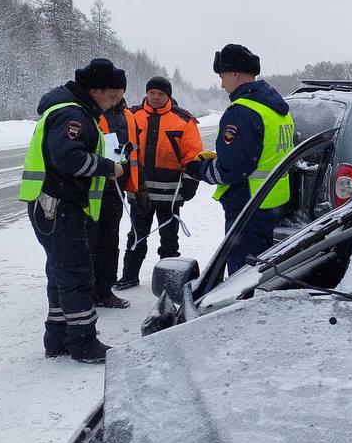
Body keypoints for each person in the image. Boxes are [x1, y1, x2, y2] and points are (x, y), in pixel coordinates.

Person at [19, 58, 126, 362]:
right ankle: (82, 342)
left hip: (54, 204)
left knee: (61, 272)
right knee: (77, 273)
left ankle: (57, 337)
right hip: (59, 204)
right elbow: (69, 158)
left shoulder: (71, 109)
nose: (113, 104)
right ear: (97, 90)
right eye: (112, 97)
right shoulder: (72, 114)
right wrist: (109, 168)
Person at [184, 43, 295, 274]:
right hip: (272, 200)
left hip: (248, 203)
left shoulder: (242, 112)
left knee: (242, 275)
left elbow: (231, 169)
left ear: (235, 73)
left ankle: (242, 308)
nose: (222, 84)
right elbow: (263, 154)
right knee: (263, 270)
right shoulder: (276, 109)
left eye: (222, 76)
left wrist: (200, 169)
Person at [115, 76, 202, 289]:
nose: (155, 97)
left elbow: (194, 155)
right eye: (152, 92)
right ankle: (129, 275)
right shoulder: (131, 116)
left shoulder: (184, 120)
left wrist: (191, 182)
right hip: (139, 190)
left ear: (168, 96)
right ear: (146, 93)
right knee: (136, 236)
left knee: (169, 240)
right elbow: (119, 149)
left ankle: (170, 280)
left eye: (160, 94)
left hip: (170, 194)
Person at [92, 84, 140, 308]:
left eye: (119, 90)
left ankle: (103, 290)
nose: (115, 95)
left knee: (109, 241)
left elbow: (133, 150)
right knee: (88, 241)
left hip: (116, 187)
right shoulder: (91, 113)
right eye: (111, 90)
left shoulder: (129, 115)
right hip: (92, 186)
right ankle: (84, 289)